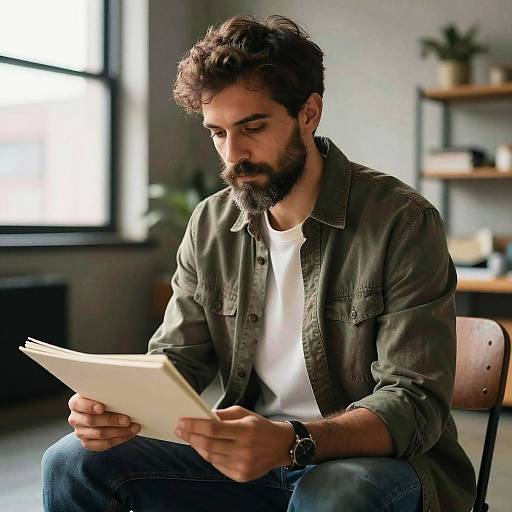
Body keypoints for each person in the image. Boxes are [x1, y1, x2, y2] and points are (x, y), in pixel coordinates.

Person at [42, 14, 477, 512]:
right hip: (245, 457)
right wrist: (116, 407)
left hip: (373, 464)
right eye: (217, 132)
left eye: (252, 128)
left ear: (308, 114)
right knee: (71, 461)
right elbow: (175, 362)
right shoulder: (210, 223)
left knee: (332, 492)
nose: (234, 155)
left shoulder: (402, 222)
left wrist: (293, 441)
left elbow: (413, 404)